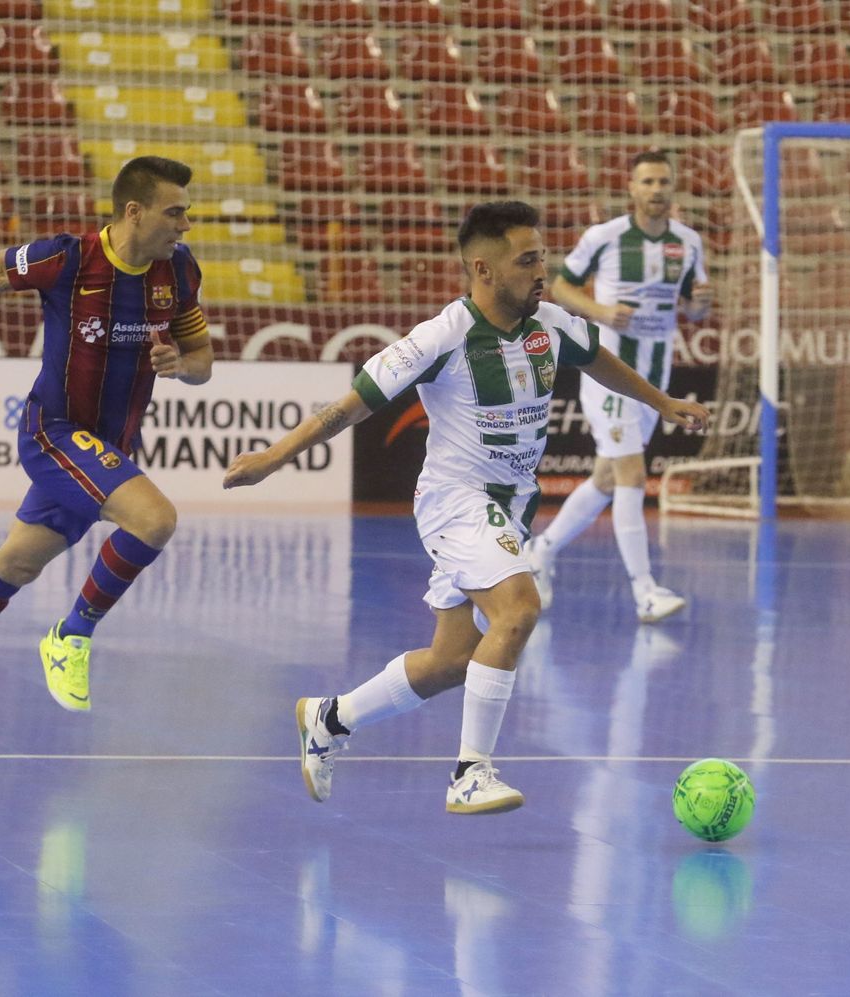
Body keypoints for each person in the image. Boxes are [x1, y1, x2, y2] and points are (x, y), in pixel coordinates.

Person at [223, 201, 709, 814]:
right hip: (457, 501)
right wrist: (275, 455)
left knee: (452, 661)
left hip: (510, 507)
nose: (542, 270)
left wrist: (661, 401)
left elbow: (598, 360)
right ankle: (470, 773)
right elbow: (351, 405)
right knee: (519, 609)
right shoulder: (442, 336)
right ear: (483, 269)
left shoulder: (551, 323)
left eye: (543, 256)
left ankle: (330, 717)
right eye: (527, 260)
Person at [0, 156, 213, 744]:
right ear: (133, 212)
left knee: (17, 562)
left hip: (107, 447)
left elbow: (202, 363)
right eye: (175, 213)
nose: (185, 225)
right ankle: (71, 635)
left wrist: (180, 366)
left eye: (186, 214)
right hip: (55, 431)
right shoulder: (68, 259)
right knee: (155, 519)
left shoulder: (180, 271)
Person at [525, 150, 713, 624]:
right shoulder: (604, 238)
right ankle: (645, 592)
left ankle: (540, 552)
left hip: (655, 378)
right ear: (631, 188)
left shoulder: (688, 243)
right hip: (607, 372)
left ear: (673, 188)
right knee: (632, 472)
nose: (656, 189)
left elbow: (693, 309)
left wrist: (699, 306)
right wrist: (602, 312)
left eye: (663, 181)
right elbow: (560, 287)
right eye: (647, 181)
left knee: (608, 477)